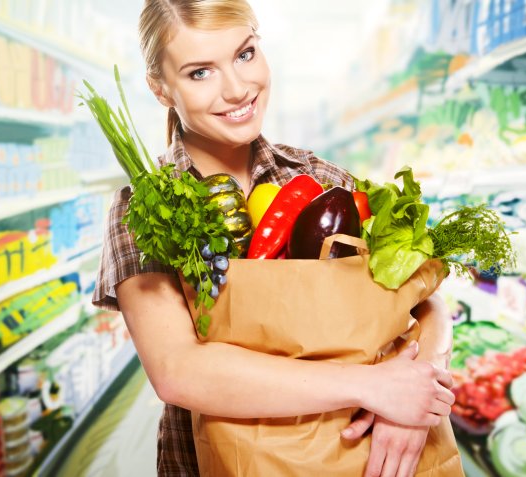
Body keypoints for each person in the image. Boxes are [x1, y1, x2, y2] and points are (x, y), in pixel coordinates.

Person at [92, 1, 456, 476]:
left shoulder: (319, 178)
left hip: (351, 451)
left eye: (244, 54)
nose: (237, 88)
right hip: (217, 458)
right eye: (200, 72)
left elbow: (424, 301)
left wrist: (416, 397)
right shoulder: (144, 210)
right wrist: (373, 388)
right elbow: (177, 370)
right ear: (160, 89)